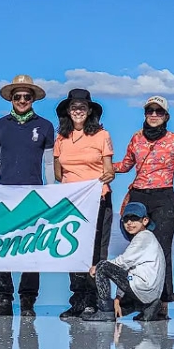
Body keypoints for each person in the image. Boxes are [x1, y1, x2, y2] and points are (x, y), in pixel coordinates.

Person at [0, 74, 56, 317]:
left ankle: (28, 301)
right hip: (5, 193)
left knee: (31, 249)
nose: (22, 100)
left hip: (33, 195)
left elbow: (49, 165)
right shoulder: (0, 126)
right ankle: (2, 300)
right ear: (11, 98)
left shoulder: (45, 126)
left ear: (33, 99)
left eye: (26, 97)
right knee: (2, 247)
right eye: (17, 96)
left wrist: (50, 193)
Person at [113, 96, 174, 317]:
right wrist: (99, 165)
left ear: (166, 116)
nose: (153, 115)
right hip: (139, 197)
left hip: (164, 197)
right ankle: (135, 299)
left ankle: (161, 304)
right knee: (138, 250)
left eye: (158, 112)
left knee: (161, 250)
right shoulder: (136, 138)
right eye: (150, 111)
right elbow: (125, 165)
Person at [51, 88, 115, 318]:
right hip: (72, 203)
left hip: (97, 200)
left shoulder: (101, 135)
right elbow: (59, 174)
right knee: (73, 250)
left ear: (89, 111)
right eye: (74, 107)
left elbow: (109, 170)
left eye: (82, 107)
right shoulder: (61, 138)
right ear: (68, 111)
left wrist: (104, 177)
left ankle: (94, 299)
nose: (78, 110)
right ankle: (77, 299)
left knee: (96, 252)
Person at [85, 202, 165, 322]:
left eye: (134, 218)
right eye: (126, 219)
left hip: (142, 286)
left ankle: (105, 311)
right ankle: (147, 307)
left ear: (145, 221)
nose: (129, 223)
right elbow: (127, 270)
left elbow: (123, 262)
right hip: (150, 292)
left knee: (103, 266)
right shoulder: (147, 237)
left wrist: (97, 267)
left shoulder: (143, 237)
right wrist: (118, 297)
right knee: (119, 307)